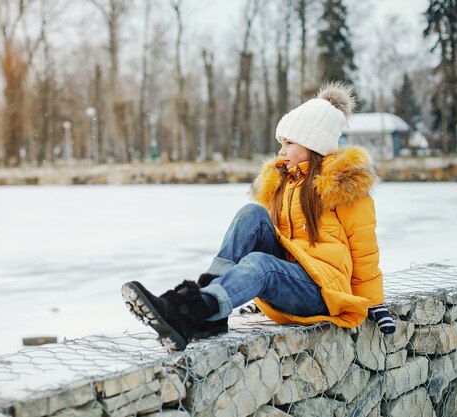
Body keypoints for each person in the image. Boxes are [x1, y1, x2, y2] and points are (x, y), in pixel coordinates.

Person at [121, 81, 395, 352]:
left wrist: (373, 301)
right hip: (287, 275)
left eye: (289, 143)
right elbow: (276, 241)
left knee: (260, 263)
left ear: (314, 144)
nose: (282, 151)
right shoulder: (283, 182)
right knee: (251, 213)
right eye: (281, 143)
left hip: (322, 291)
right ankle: (204, 304)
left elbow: (364, 250)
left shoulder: (341, 185)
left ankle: (195, 312)